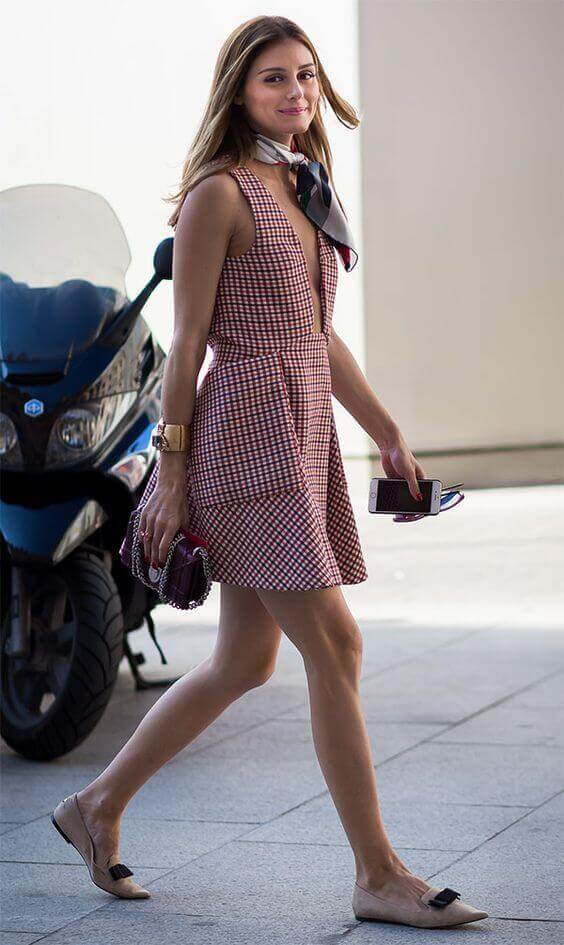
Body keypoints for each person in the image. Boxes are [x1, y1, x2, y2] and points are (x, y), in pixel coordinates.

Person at [51, 15, 488, 929]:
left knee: (246, 660)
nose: (296, 93)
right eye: (274, 81)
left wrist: (388, 430)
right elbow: (188, 346)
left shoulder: (299, 181)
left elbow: (316, 333)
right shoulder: (220, 193)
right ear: (238, 94)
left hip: (299, 431)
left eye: (306, 77)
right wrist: (171, 477)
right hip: (244, 438)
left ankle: (94, 807)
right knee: (338, 645)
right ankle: (379, 873)